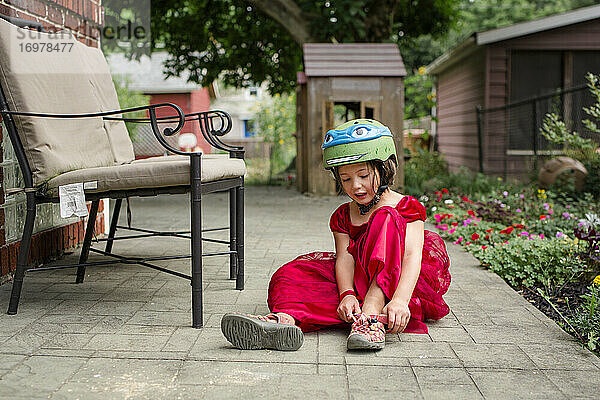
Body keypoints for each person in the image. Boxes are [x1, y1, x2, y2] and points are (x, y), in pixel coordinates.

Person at [221, 119, 451, 351]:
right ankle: (283, 322)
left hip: (398, 287)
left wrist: (400, 300)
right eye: (346, 179)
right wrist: (347, 294)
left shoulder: (406, 207)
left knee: (386, 216)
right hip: (357, 281)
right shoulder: (343, 215)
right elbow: (345, 257)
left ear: (384, 168)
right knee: (289, 275)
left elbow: (412, 257)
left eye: (363, 175)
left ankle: (370, 318)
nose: (356, 186)